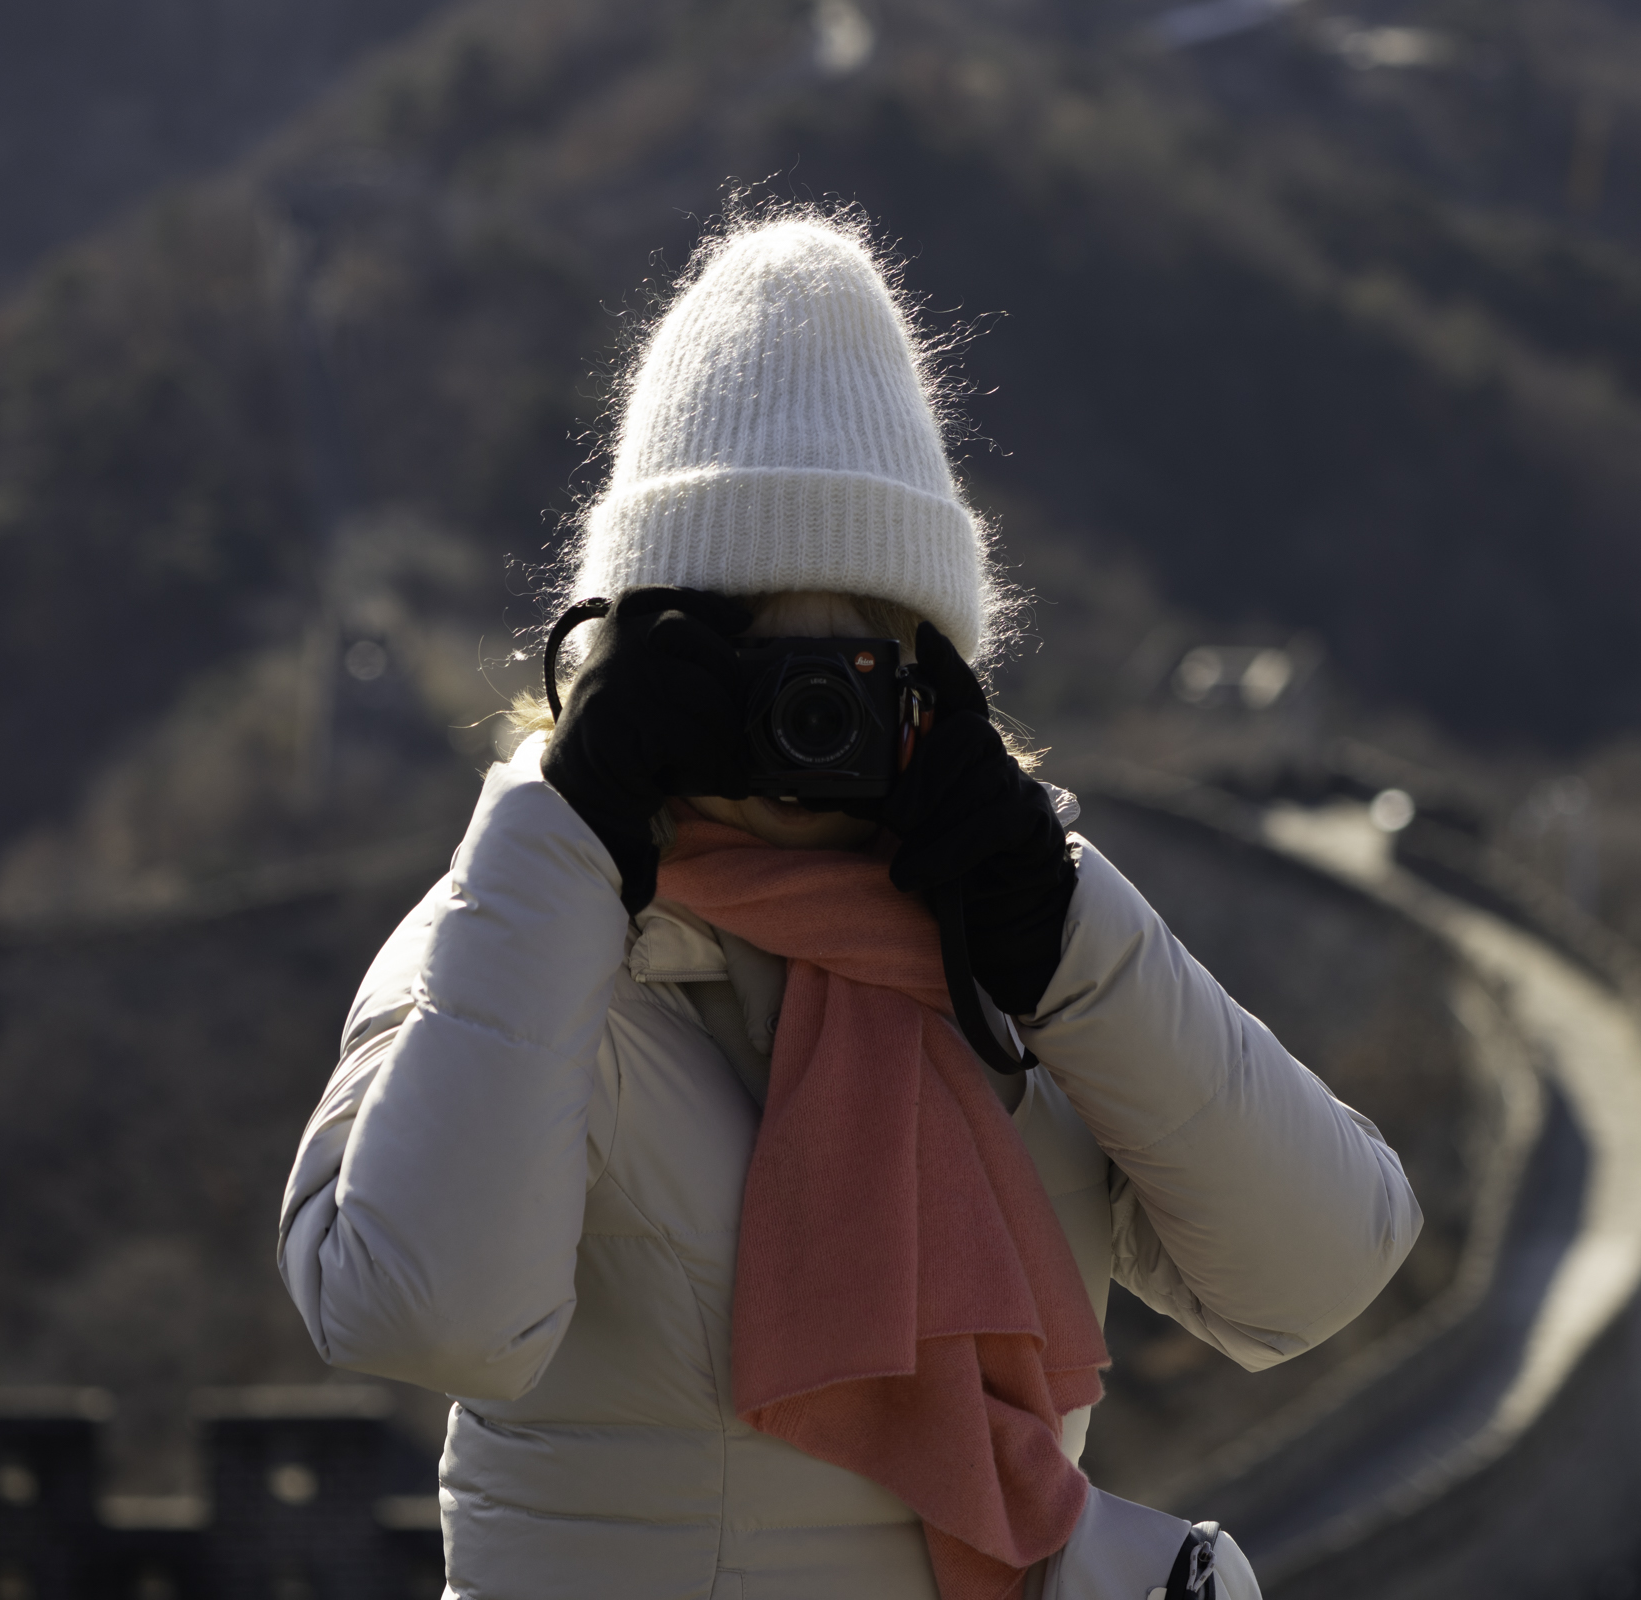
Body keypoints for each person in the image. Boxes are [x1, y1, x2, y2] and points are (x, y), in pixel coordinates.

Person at [277, 216, 1421, 1600]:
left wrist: (1063, 925)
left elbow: (1318, 1271)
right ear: (632, 654)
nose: (800, 726)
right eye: (745, 658)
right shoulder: (526, 941)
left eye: (858, 667)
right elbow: (422, 1311)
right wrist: (565, 833)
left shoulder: (1002, 958)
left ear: (938, 679)